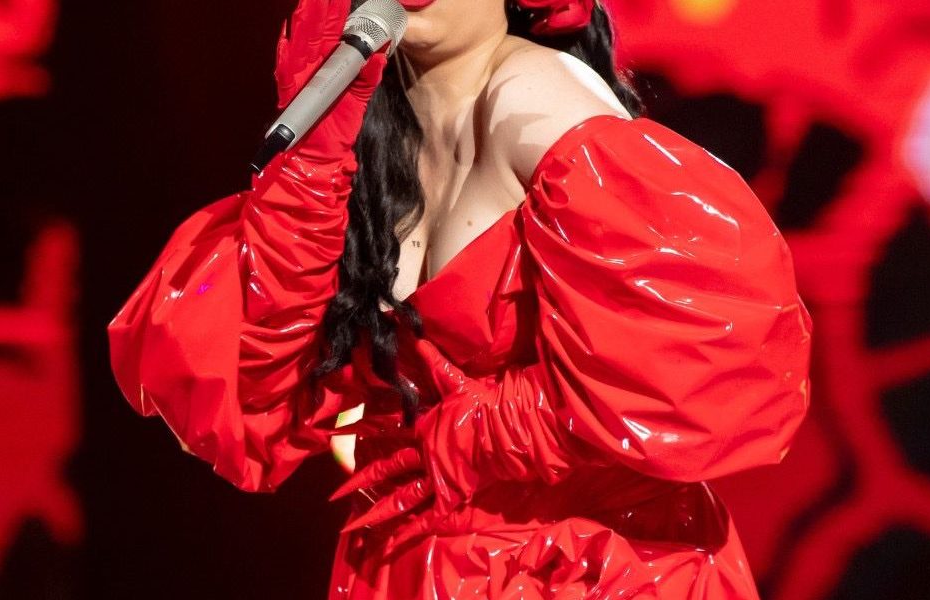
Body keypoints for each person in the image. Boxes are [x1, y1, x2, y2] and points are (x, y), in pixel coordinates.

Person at [108, 0, 814, 597]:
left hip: (591, 568)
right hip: (411, 566)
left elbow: (720, 360)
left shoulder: (536, 98)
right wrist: (313, 158)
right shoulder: (369, 130)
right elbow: (246, 394)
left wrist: (476, 433)